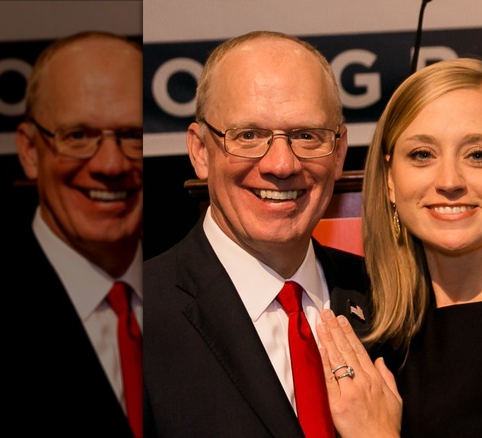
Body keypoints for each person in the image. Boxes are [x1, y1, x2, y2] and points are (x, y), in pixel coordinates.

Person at [316, 57, 482, 437]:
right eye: (422, 155)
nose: (449, 180)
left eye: (479, 155)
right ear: (390, 180)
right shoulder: (380, 316)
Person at [143, 31, 372, 438]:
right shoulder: (135, 321)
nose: (281, 164)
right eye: (248, 135)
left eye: (306, 135)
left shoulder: (387, 299)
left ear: (339, 154)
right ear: (199, 151)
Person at [0, 31, 144, 437]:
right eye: (78, 137)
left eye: (132, 136)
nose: (110, 164)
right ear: (30, 152)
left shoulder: (202, 288)